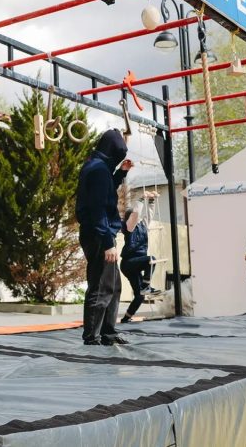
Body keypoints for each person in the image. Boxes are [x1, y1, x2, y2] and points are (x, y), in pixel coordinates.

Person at [75, 129, 133, 345]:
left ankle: (108, 332)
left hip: (100, 233)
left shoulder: (99, 167)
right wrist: (108, 242)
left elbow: (105, 192)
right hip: (99, 235)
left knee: (113, 286)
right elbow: (97, 208)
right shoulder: (98, 170)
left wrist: (121, 173)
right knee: (101, 286)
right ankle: (92, 336)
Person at [119, 191, 161, 324]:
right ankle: (146, 285)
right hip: (128, 263)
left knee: (140, 296)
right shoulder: (129, 228)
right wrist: (142, 199)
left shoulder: (142, 226)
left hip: (136, 263)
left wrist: (152, 200)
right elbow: (135, 214)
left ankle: (126, 318)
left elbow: (149, 215)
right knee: (151, 259)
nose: (137, 218)